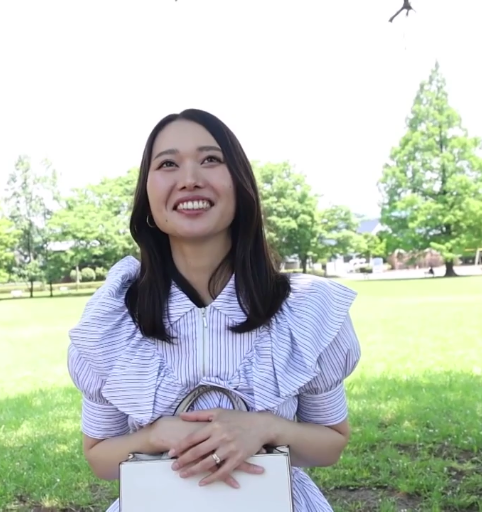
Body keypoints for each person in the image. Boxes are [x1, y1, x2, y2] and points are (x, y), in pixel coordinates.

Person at [67, 108, 362, 511]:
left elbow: (331, 443)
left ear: (240, 184)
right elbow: (99, 456)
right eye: (168, 164)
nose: (189, 179)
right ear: (147, 195)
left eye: (210, 159)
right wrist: (153, 437)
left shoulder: (306, 310)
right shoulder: (113, 319)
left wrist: (265, 428)